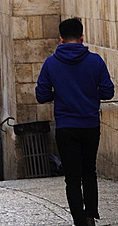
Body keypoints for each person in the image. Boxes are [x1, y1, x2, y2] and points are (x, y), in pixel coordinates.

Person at [36, 17, 114, 226]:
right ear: (82, 37)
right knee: (89, 171)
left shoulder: (51, 63)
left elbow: (41, 95)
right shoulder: (95, 61)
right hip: (90, 124)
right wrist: (89, 93)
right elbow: (108, 91)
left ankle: (79, 220)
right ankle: (90, 216)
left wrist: (60, 94)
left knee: (72, 177)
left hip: (65, 126)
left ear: (61, 38)